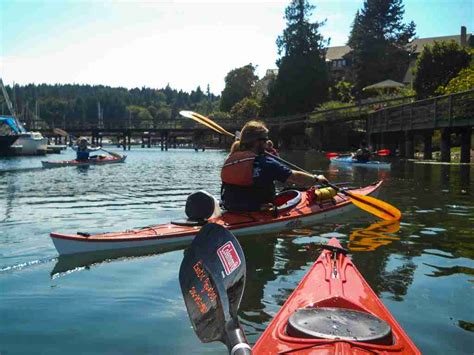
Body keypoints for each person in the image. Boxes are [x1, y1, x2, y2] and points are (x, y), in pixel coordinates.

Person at [221, 120, 328, 211]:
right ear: (257, 142)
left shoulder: (230, 159)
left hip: (231, 207)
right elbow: (293, 177)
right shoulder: (264, 162)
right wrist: (316, 179)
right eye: (265, 139)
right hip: (259, 210)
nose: (267, 142)